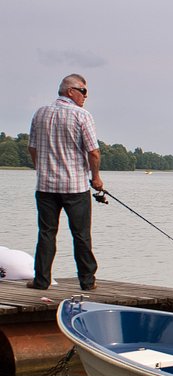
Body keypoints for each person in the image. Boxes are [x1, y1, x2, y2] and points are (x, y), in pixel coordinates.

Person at [27, 74, 104, 291]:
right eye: (83, 91)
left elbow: (32, 147)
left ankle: (41, 281)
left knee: (46, 233)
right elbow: (94, 152)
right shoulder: (82, 115)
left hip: (45, 186)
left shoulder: (40, 113)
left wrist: (40, 169)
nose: (85, 97)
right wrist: (96, 178)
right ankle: (87, 282)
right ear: (70, 91)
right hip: (75, 186)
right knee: (80, 234)